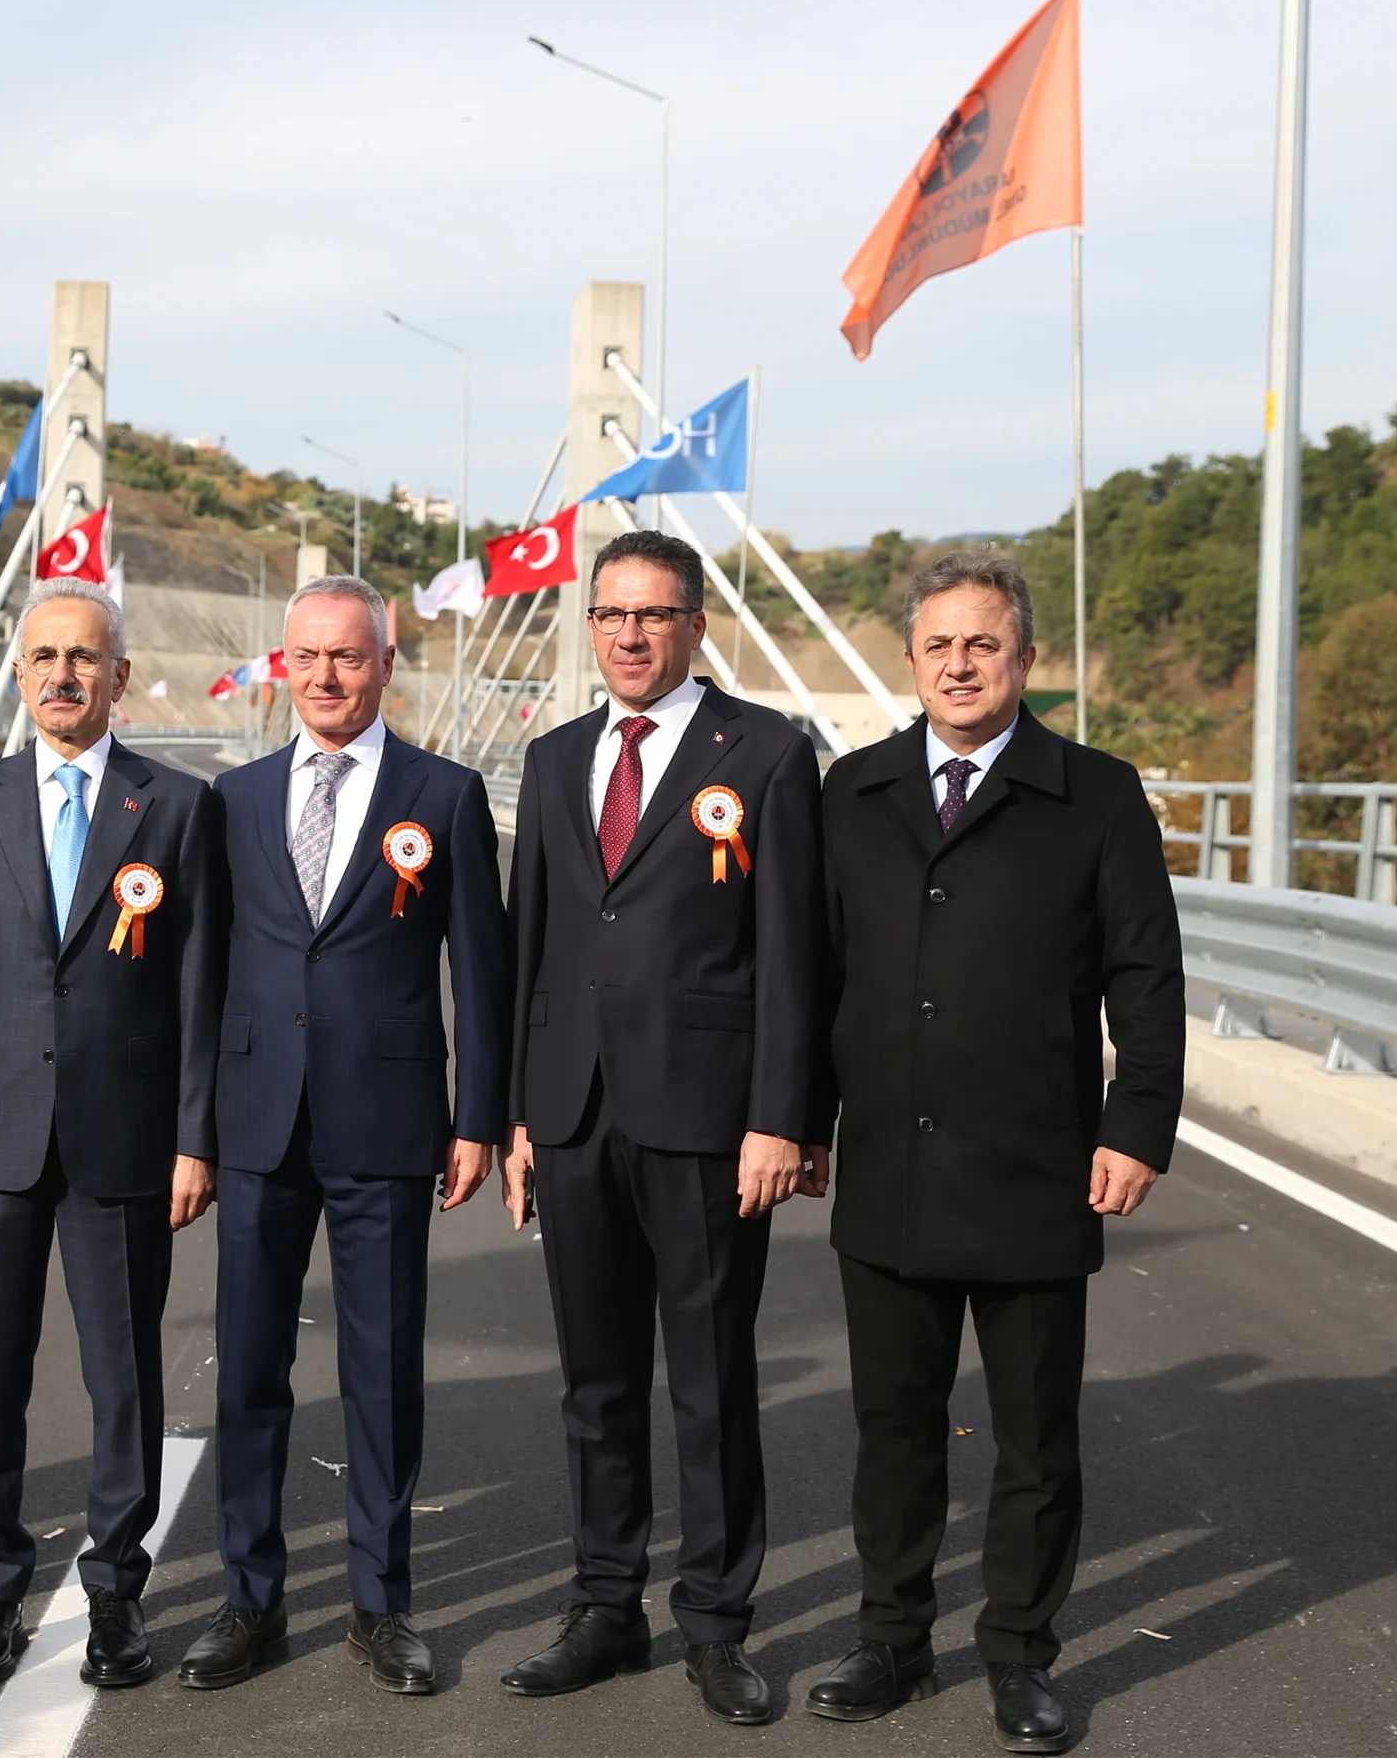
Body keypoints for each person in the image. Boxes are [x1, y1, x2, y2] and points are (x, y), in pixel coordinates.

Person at [803, 549, 1181, 1755]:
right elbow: (815, 977)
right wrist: (802, 1122)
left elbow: (1145, 973)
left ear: (1024, 658)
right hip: (889, 1174)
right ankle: (890, 1641)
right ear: (909, 660)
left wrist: (1136, 1124)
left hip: (1036, 1168)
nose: (959, 665)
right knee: (893, 1432)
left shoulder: (1095, 793)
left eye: (983, 644)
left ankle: (1020, 1654)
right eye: (938, 646)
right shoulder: (851, 792)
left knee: (1035, 1440)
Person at [498, 529, 830, 1725]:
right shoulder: (552, 759)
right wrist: (520, 1115)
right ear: (588, 627)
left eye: (653, 614)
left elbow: (797, 952)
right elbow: (529, 944)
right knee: (593, 1384)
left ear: (695, 624)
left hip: (704, 1122)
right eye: (609, 615)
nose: (629, 635)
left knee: (707, 1381)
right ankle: (603, 1607)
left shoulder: (770, 754)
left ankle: (715, 1621)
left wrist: (781, 1118)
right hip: (576, 1116)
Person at [178, 573, 508, 1697]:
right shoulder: (233, 799)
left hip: (388, 1125)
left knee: (380, 1373)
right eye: (307, 657)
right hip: (257, 1123)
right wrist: (195, 1130)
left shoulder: (446, 795)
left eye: (349, 657)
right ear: (285, 664)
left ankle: (382, 1606)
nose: (326, 676)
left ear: (384, 663)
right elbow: (202, 974)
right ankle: (249, 1601)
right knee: (251, 1376)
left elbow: (483, 971)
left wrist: (479, 1121)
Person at [0, 576, 225, 1690]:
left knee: (121, 1377)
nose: (63, 676)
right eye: (43, 658)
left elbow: (198, 989)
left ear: (120, 677)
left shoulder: (176, 807)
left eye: (85, 658)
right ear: (19, 673)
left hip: (124, 1138)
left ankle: (115, 1592)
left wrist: (195, 1137)